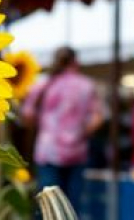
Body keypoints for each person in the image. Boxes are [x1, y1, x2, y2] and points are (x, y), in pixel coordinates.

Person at [21, 46, 105, 206]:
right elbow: (97, 118)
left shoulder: (42, 85)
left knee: (49, 206)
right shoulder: (86, 85)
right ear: (76, 62)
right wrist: (82, 132)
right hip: (77, 152)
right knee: (73, 206)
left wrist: (44, 128)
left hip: (48, 152)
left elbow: (28, 116)